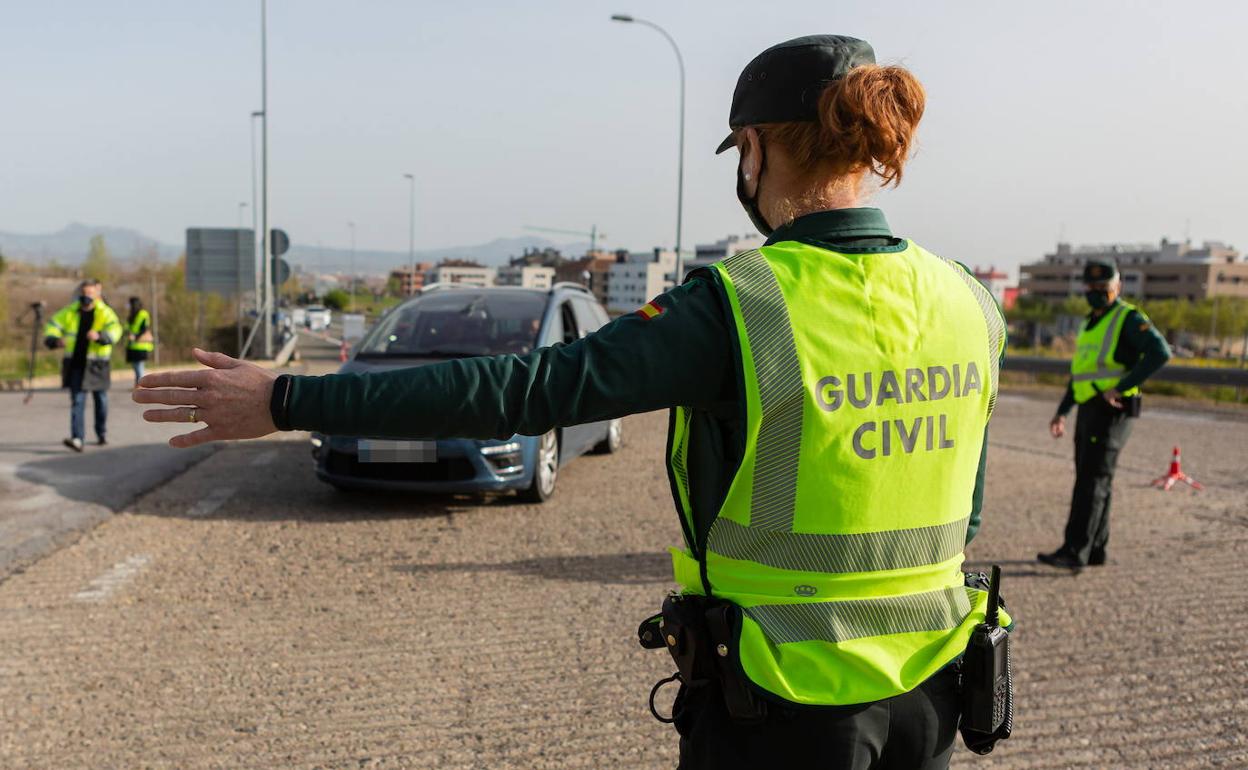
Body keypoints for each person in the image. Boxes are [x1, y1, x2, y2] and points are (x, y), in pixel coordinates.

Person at [136, 36, 1009, 768]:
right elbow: (961, 511)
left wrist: (287, 398)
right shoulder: (967, 299)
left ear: (754, 149)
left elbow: (523, 390)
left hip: (785, 706)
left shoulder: (741, 306)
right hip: (929, 695)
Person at [1038, 260, 1170, 571]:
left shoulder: (1128, 318)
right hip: (1090, 408)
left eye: (1103, 287)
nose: (1096, 292)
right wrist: (1063, 411)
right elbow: (1082, 373)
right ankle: (1095, 549)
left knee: (1091, 482)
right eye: (1091, 287)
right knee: (1096, 480)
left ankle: (1074, 551)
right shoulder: (1090, 322)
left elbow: (1160, 352)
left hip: (1111, 411)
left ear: (1117, 287)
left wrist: (1121, 388)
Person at [44, 279, 123, 452]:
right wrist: (54, 340)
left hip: (97, 365)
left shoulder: (105, 312)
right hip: (76, 364)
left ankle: (101, 432)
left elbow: (116, 330)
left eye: (90, 293)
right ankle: (77, 439)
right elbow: (52, 325)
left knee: (101, 400)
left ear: (97, 294)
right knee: (77, 401)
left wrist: (101, 336)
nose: (86, 296)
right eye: (84, 293)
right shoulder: (70, 311)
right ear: (80, 294)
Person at [125, 296, 154, 383]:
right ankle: (138, 384)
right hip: (132, 345)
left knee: (139, 368)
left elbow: (144, 328)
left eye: (129, 304)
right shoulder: (131, 315)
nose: (128, 306)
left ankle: (141, 385)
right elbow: (127, 328)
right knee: (136, 368)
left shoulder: (143, 314)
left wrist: (135, 336)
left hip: (141, 345)